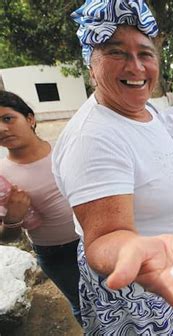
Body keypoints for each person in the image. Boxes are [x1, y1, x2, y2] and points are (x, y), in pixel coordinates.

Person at [52, 1, 173, 334]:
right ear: (91, 66)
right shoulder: (92, 139)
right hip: (144, 281)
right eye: (116, 52)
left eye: (146, 53)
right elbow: (104, 240)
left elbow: (155, 156)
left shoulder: (148, 108)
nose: (136, 66)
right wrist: (133, 250)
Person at [0, 90, 82, 325]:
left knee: (117, 295)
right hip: (56, 253)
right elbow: (6, 237)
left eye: (8, 118)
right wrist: (14, 218)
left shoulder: (65, 151)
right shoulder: (2, 176)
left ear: (30, 118)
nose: (2, 129)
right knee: (82, 305)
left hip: (94, 237)